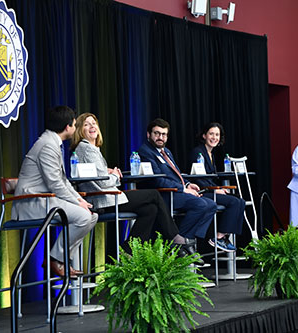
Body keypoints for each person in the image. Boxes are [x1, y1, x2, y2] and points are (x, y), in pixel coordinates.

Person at [70, 113, 190, 258]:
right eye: (86, 124)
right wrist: (114, 175)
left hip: (106, 197)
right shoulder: (86, 147)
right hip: (103, 200)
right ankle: (173, 237)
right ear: (79, 130)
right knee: (153, 195)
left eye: (94, 123)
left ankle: (128, 250)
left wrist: (109, 173)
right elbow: (103, 182)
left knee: (150, 209)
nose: (92, 127)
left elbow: (96, 175)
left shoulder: (91, 148)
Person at [11, 106, 98, 278]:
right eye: (74, 125)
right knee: (83, 216)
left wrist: (79, 199)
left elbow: (63, 181)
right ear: (68, 127)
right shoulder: (47, 146)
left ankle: (61, 259)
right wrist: (77, 202)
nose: (75, 128)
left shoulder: (53, 143)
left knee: (92, 216)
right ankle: (54, 259)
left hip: (45, 199)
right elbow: (55, 184)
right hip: (32, 202)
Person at [138, 118, 218, 259]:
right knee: (201, 204)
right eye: (157, 133)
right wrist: (182, 189)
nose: (160, 137)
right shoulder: (145, 152)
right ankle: (184, 242)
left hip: (177, 191)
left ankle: (183, 240)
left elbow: (177, 174)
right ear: (148, 134)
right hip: (164, 195)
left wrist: (187, 184)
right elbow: (157, 180)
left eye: (164, 134)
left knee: (211, 205)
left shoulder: (166, 152)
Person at [189, 122, 246, 251]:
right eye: (211, 134)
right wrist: (215, 189)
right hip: (202, 191)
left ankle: (225, 236)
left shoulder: (212, 154)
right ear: (204, 135)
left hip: (211, 189)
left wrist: (219, 188)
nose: (214, 137)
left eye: (217, 135)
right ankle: (219, 237)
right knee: (234, 202)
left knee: (241, 201)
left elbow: (209, 178)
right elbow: (198, 178)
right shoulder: (197, 152)